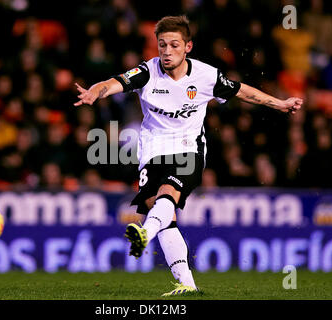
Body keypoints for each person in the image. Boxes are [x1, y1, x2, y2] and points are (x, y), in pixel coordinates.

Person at [74, 15, 303, 296]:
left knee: (167, 195)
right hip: (153, 152)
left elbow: (242, 92)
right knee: (165, 216)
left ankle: (145, 233)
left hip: (188, 150)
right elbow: (114, 82)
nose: (167, 52)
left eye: (173, 45)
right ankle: (187, 285)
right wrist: (96, 91)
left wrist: (280, 103)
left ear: (188, 47)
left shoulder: (206, 76)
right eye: (162, 45)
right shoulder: (147, 72)